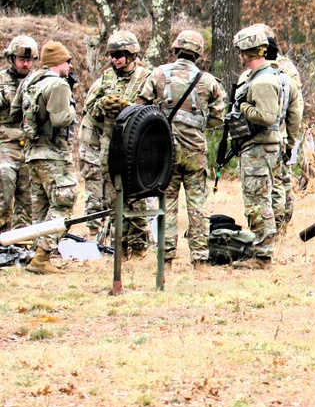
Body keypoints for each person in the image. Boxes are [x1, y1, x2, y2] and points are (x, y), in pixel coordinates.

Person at [137, 30, 227, 272]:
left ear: (175, 49)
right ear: (198, 53)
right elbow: (219, 117)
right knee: (197, 207)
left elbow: (140, 110)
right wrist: (198, 125)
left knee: (166, 205)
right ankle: (200, 261)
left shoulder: (157, 75)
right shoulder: (208, 81)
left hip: (165, 153)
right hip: (195, 153)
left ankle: (165, 261)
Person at [83, 30, 153, 259]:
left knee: (138, 196)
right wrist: (103, 105)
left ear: (132, 54)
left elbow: (157, 113)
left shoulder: (147, 78)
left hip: (138, 146)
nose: (115, 59)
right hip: (111, 146)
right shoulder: (106, 79)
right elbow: (90, 111)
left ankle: (140, 244)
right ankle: (120, 247)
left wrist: (129, 107)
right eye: (112, 54)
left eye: (120, 54)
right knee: (115, 197)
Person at [12, 41, 78, 274]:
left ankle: (35, 255)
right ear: (58, 62)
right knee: (64, 200)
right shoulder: (59, 85)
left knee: (40, 206)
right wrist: (72, 108)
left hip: (32, 153)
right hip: (54, 154)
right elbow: (61, 119)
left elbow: (14, 111)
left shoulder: (30, 81)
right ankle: (42, 256)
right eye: (68, 61)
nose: (70, 66)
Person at [228, 24, 288, 269]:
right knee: (258, 199)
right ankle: (261, 251)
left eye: (242, 51)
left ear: (248, 52)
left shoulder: (263, 81)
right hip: (258, 148)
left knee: (258, 202)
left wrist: (241, 108)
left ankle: (263, 256)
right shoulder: (262, 77)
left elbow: (266, 117)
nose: (240, 56)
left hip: (259, 149)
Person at [263, 29, 303, 238]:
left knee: (281, 181)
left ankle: (280, 226)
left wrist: (291, 141)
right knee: (280, 181)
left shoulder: (285, 68)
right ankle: (279, 224)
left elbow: (295, 107)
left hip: (283, 134)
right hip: (281, 134)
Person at [0, 35, 38, 231]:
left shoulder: (38, 80)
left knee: (28, 196)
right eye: (22, 60)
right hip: (5, 144)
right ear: (12, 59)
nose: (25, 64)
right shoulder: (2, 79)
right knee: (4, 190)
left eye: (29, 60)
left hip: (30, 144)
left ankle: (21, 239)